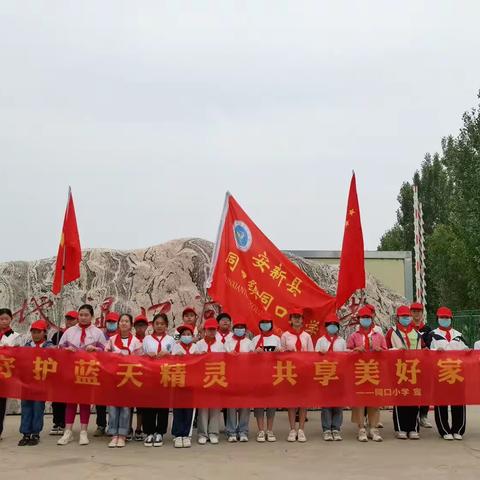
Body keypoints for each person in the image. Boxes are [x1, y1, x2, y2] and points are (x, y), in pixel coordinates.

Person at [57, 304, 107, 446]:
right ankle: (68, 431)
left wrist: (96, 349)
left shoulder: (97, 332)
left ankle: (84, 432)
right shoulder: (69, 332)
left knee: (85, 402)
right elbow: (60, 349)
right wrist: (66, 349)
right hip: (72, 371)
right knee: (70, 401)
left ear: (92, 316)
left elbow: (105, 351)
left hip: (88, 371)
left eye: (86, 315)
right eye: (81, 315)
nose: (83, 317)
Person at [347, 306, 387, 442]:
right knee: (360, 401)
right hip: (359, 372)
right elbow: (346, 354)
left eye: (368, 318)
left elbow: (387, 354)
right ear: (358, 320)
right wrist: (355, 350)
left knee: (374, 401)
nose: (366, 320)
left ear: (372, 319)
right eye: (363, 318)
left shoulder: (379, 336)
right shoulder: (354, 336)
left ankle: (373, 428)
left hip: (375, 372)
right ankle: (361, 428)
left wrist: (380, 350)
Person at [430, 306, 469, 441]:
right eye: (441, 317)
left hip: (456, 373)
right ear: (437, 319)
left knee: (458, 402)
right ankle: (444, 430)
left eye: (446, 318)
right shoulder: (432, 335)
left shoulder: (458, 335)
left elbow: (465, 351)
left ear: (451, 319)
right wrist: (436, 351)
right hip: (440, 373)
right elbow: (426, 353)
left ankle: (458, 429)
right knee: (441, 402)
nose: (444, 320)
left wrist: (468, 351)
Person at [104, 313, 143, 448]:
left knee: (126, 408)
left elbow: (140, 360)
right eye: (122, 321)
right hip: (114, 378)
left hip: (129, 378)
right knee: (113, 407)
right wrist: (117, 355)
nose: (124, 323)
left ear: (131, 325)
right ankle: (113, 433)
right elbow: (105, 356)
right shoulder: (111, 340)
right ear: (118, 324)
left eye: (127, 321)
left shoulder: (136, 342)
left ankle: (123, 434)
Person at [386, 306, 422, 440]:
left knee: (414, 398)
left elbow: (421, 350)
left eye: (407, 316)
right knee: (400, 398)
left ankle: (413, 428)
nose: (406, 318)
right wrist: (396, 350)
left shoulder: (416, 333)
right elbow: (386, 349)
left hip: (414, 368)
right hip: (398, 368)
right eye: (403, 316)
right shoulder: (392, 332)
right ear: (398, 317)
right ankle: (400, 428)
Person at [18, 320, 54, 446]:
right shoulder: (27, 346)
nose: (36, 335)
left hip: (41, 384)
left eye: (38, 332)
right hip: (27, 383)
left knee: (38, 408)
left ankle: (35, 433)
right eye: (33, 332)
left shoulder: (50, 347)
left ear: (44, 333)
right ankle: (25, 433)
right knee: (26, 407)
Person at [141, 313, 175, 447]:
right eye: (157, 323)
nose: (159, 326)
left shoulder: (170, 340)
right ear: (153, 325)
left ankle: (160, 432)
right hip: (149, 376)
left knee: (163, 406)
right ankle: (149, 432)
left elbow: (177, 358)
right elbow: (140, 357)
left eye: (162, 324)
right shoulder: (147, 339)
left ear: (166, 325)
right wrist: (146, 354)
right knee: (149, 405)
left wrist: (169, 354)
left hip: (165, 375)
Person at [281, 308, 314, 443]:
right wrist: (285, 351)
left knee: (303, 402)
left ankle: (301, 429)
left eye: (299, 317)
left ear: (302, 320)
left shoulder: (307, 336)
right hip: (291, 371)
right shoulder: (285, 335)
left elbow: (312, 354)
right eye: (294, 317)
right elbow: (280, 354)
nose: (297, 319)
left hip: (304, 372)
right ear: (290, 320)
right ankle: (292, 429)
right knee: (292, 401)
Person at [315, 312, 346, 441]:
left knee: (338, 404)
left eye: (335, 325)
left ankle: (336, 428)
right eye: (330, 325)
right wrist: (319, 354)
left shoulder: (342, 341)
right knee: (326, 404)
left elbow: (346, 357)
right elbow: (313, 358)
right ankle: (327, 428)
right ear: (326, 326)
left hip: (339, 375)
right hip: (325, 375)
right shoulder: (321, 341)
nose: (332, 327)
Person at [195, 318, 224, 445]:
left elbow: (224, 361)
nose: (211, 332)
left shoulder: (220, 345)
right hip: (202, 379)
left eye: (214, 329)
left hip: (216, 378)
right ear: (205, 330)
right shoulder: (199, 344)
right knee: (203, 408)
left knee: (215, 408)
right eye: (209, 329)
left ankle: (213, 432)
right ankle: (202, 433)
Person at [252, 318, 281, 443]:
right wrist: (255, 353)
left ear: (271, 324)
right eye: (262, 322)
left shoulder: (276, 339)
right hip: (258, 375)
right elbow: (249, 358)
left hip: (273, 375)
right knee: (259, 404)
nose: (265, 325)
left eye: (267, 322)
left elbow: (282, 357)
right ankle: (261, 429)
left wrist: (279, 353)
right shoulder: (254, 339)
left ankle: (270, 429)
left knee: (271, 404)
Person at [225, 320, 254, 442]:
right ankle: (231, 431)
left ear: (245, 330)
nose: (240, 329)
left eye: (242, 327)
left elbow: (253, 360)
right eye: (237, 327)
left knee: (244, 405)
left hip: (245, 377)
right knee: (231, 405)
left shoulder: (249, 342)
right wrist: (229, 355)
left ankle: (243, 431)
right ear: (233, 328)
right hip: (231, 376)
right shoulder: (228, 342)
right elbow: (222, 358)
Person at [50, 310, 78, 436]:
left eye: (72, 319)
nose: (69, 321)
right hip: (59, 370)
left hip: (75, 371)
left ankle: (67, 423)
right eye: (68, 319)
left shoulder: (78, 334)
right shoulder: (58, 335)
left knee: (70, 399)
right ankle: (57, 422)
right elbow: (50, 350)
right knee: (57, 398)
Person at [94, 311, 120, 437]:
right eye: (109, 322)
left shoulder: (121, 336)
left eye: (114, 322)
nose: (111, 324)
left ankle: (113, 425)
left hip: (117, 372)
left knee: (115, 401)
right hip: (101, 370)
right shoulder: (100, 335)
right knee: (100, 400)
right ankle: (101, 425)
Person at [171, 324, 198, 448]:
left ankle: (186, 434)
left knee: (189, 410)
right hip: (178, 382)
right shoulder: (175, 347)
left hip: (191, 383)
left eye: (188, 334)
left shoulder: (195, 347)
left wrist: (199, 356)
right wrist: (176, 357)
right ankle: (178, 435)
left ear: (192, 336)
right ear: (180, 336)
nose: (186, 336)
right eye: (183, 334)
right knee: (178, 410)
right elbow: (169, 364)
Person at [0, 307, 23, 439]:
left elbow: (19, 356)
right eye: (1, 319)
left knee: (1, 405)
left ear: (11, 319)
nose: (3, 321)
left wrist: (15, 350)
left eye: (6, 319)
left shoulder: (16, 336)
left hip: (5, 375)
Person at [410, 302, 433, 428]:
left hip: (425, 365)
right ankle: (413, 417)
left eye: (418, 311)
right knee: (412, 390)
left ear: (422, 313)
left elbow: (430, 346)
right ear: (410, 313)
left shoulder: (428, 329)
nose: (416, 314)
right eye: (414, 311)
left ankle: (423, 416)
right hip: (410, 365)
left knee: (425, 390)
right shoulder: (407, 328)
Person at [132, 313, 149, 441]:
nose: (140, 328)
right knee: (129, 404)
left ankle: (139, 428)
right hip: (131, 374)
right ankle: (127, 428)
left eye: (143, 325)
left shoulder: (149, 340)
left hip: (146, 376)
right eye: (138, 325)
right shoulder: (132, 340)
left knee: (141, 406)